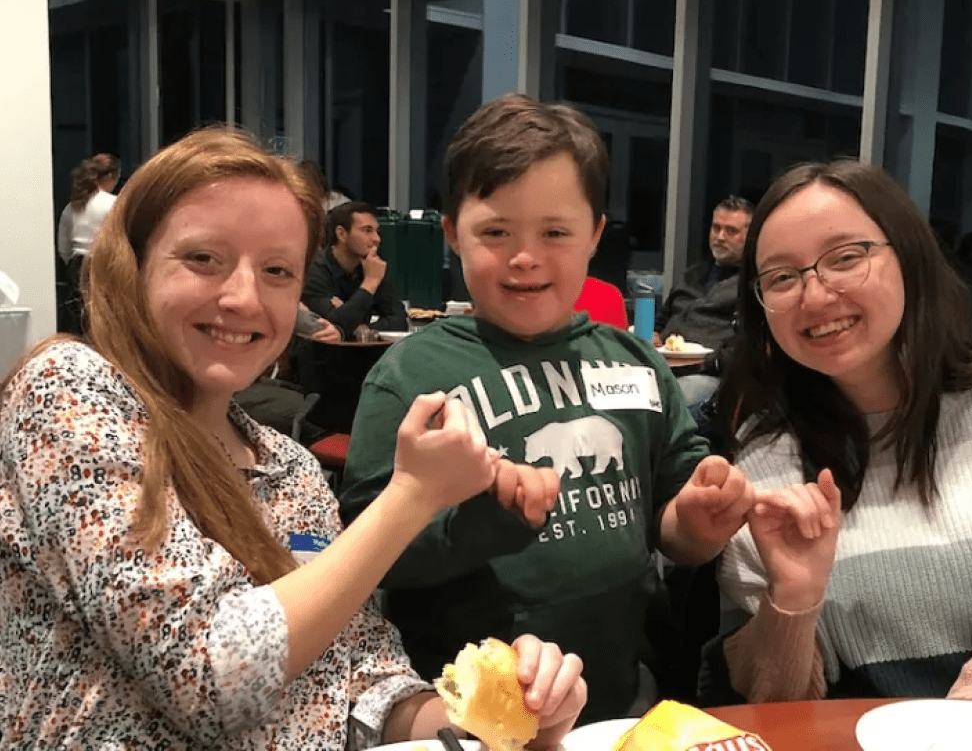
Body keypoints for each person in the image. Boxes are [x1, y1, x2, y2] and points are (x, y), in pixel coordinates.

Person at [0, 127, 587, 748]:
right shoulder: (68, 389)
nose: (243, 297)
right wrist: (412, 496)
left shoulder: (290, 468)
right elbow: (206, 675)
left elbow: (365, 682)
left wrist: (502, 715)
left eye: (277, 270)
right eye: (203, 258)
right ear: (136, 263)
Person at [339, 94, 756, 724]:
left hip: (621, 702)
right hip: (477, 721)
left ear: (593, 235)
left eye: (555, 233)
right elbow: (368, 557)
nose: (525, 256)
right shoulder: (411, 379)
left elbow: (673, 520)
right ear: (453, 234)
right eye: (496, 232)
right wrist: (479, 522)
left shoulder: (637, 364)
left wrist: (698, 519)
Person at [700, 158, 972, 705]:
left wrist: (947, 735)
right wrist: (794, 601)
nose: (817, 295)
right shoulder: (763, 469)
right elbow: (774, 708)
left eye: (846, 258)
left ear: (910, 256)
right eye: (782, 277)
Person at [654, 196, 754, 410]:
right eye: (716, 228)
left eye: (731, 231)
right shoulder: (691, 275)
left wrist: (700, 363)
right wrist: (651, 334)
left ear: (750, 237)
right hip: (659, 366)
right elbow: (661, 320)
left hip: (708, 376)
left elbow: (746, 348)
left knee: (662, 405)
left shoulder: (752, 285)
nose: (719, 237)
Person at [301, 200, 408, 338]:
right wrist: (370, 283)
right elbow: (329, 326)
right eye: (367, 230)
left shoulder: (371, 266)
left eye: (377, 232)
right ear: (342, 234)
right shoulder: (315, 270)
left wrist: (361, 328)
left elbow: (399, 320)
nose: (376, 239)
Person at [56, 152, 121, 333]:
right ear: (110, 176)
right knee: (105, 322)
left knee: (78, 324)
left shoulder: (73, 205)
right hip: (103, 264)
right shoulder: (114, 204)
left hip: (76, 266)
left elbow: (63, 247)